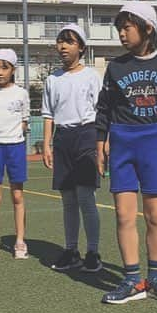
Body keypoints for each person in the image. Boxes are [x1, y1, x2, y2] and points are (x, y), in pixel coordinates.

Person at [95, 1, 157, 304]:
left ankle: (156, 278)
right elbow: (104, 109)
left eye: (127, 27)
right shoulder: (115, 67)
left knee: (156, 216)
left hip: (153, 141)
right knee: (124, 216)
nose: (122, 34)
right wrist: (100, 144)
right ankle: (131, 280)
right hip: (122, 142)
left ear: (147, 28)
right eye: (119, 29)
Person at [42, 24, 103, 272]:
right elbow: (48, 114)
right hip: (62, 138)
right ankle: (71, 250)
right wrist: (46, 144)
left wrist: (102, 144)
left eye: (69, 42)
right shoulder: (52, 79)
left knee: (86, 197)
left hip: (86, 135)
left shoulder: (91, 76)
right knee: (67, 199)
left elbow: (101, 112)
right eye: (60, 41)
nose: (63, 46)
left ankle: (93, 252)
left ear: (81, 47)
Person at [0, 49, 30, 261]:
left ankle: (20, 241)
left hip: (16, 147)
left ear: (13, 70)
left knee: (17, 195)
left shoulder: (21, 93)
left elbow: (25, 120)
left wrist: (16, 134)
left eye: (4, 67)